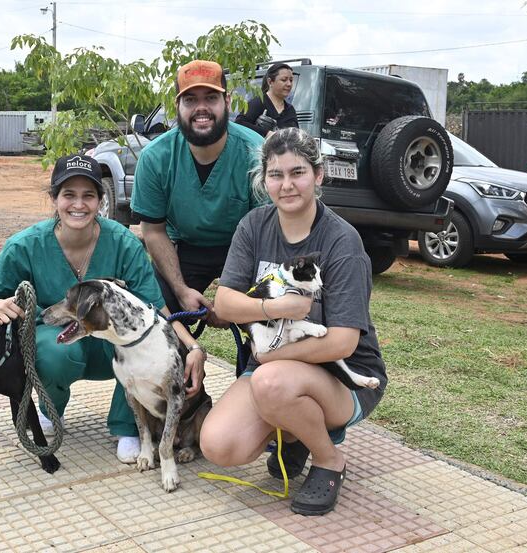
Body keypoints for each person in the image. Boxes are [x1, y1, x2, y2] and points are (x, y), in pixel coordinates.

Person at [0, 154, 206, 463]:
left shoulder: (123, 243)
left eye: (88, 195)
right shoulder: (26, 245)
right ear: (54, 199)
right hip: (61, 344)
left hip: (111, 349)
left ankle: (127, 424)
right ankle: (53, 409)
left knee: (141, 343)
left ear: (101, 200)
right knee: (54, 352)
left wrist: (192, 346)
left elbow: (156, 311)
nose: (79, 204)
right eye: (69, 195)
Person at [199, 128, 387, 516]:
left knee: (271, 382)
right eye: (275, 174)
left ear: (318, 175)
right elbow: (225, 303)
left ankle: (328, 458)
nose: (286, 185)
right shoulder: (254, 225)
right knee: (219, 446)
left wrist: (269, 359)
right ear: (264, 179)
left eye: (297, 172)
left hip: (343, 376)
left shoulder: (342, 241)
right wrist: (279, 308)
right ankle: (295, 430)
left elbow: (343, 343)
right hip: (275, 369)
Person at [131, 59, 264, 326]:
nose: (201, 108)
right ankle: (182, 360)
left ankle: (253, 367)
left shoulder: (256, 152)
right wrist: (180, 291)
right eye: (190, 99)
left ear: (227, 102)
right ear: (177, 106)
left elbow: (268, 234)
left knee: (266, 314)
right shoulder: (155, 157)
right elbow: (153, 231)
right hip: (183, 248)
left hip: (245, 248)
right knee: (151, 306)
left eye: (211, 97)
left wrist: (236, 301)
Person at [235, 62, 298, 137]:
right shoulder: (258, 103)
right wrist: (267, 133)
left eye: (291, 80)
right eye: (284, 80)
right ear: (270, 82)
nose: (289, 84)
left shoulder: (290, 110)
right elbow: (239, 123)